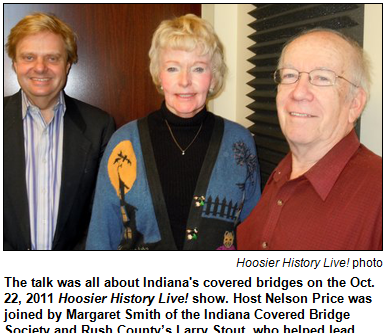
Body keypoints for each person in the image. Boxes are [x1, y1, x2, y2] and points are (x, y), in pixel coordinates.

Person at [86, 14, 260, 250]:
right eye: (173, 68)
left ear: (213, 77)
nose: (185, 81)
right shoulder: (124, 143)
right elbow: (101, 237)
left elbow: (253, 233)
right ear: (159, 75)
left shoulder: (239, 142)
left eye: (198, 68)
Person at [238, 28, 382, 250]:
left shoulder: (378, 193)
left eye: (322, 78)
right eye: (289, 76)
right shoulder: (279, 174)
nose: (298, 92)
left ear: (354, 103)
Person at [4, 13, 115, 250]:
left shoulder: (99, 126)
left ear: (67, 65)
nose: (40, 67)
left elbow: (102, 213)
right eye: (29, 57)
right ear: (15, 64)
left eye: (52, 58)